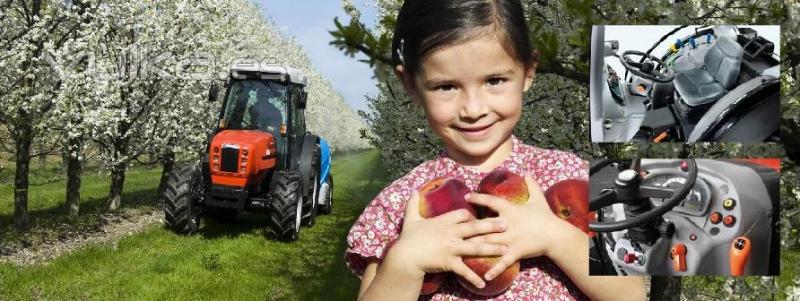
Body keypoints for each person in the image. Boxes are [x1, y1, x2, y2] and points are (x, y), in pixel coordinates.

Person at [344, 1, 647, 300]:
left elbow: (631, 294)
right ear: (410, 85)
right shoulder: (402, 203)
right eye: (446, 87)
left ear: (528, 72)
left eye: (495, 80)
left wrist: (554, 237)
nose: (473, 109)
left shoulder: (572, 175)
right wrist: (404, 262)